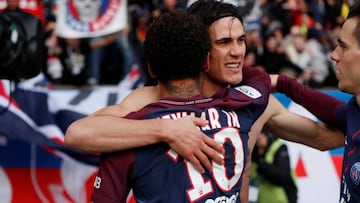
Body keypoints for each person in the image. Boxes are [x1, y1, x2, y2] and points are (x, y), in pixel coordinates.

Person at [65, 0, 344, 201]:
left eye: (241, 40)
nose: (237, 52)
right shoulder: (148, 99)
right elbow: (79, 134)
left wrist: (286, 84)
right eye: (224, 42)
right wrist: (167, 129)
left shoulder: (253, 100)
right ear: (201, 50)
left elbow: (327, 139)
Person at [91, 10, 270, 202]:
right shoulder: (242, 108)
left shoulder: (127, 137)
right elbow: (263, 81)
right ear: (206, 63)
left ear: (150, 69)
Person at [271, 2, 360, 202]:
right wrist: (285, 84)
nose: (333, 54)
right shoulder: (355, 110)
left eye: (343, 46)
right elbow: (334, 111)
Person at [250, 128, 297, 203]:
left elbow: (283, 176)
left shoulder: (278, 147)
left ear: (265, 135)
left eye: (259, 140)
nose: (258, 144)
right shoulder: (253, 152)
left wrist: (261, 164)